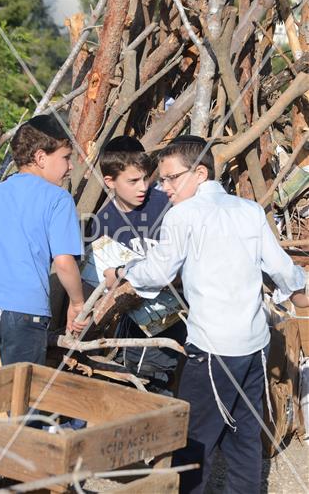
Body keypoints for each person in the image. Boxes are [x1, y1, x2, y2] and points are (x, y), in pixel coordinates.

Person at [104, 137, 309, 493]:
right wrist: (298, 290)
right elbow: (279, 266)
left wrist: (125, 272)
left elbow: (158, 272)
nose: (163, 187)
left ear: (200, 173)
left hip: (213, 349)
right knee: (244, 435)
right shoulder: (248, 211)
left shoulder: (184, 215)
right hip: (253, 345)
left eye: (170, 178)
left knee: (195, 439)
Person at [0, 114, 86, 373]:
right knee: (24, 395)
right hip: (25, 311)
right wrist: (78, 303)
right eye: (66, 158)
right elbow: (63, 262)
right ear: (40, 157)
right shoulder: (58, 199)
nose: (70, 167)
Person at [83, 135, 187, 395]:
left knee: (158, 385)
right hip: (127, 328)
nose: (142, 187)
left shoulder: (167, 206)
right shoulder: (102, 224)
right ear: (110, 182)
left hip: (174, 319)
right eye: (132, 181)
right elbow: (93, 280)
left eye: (145, 178)